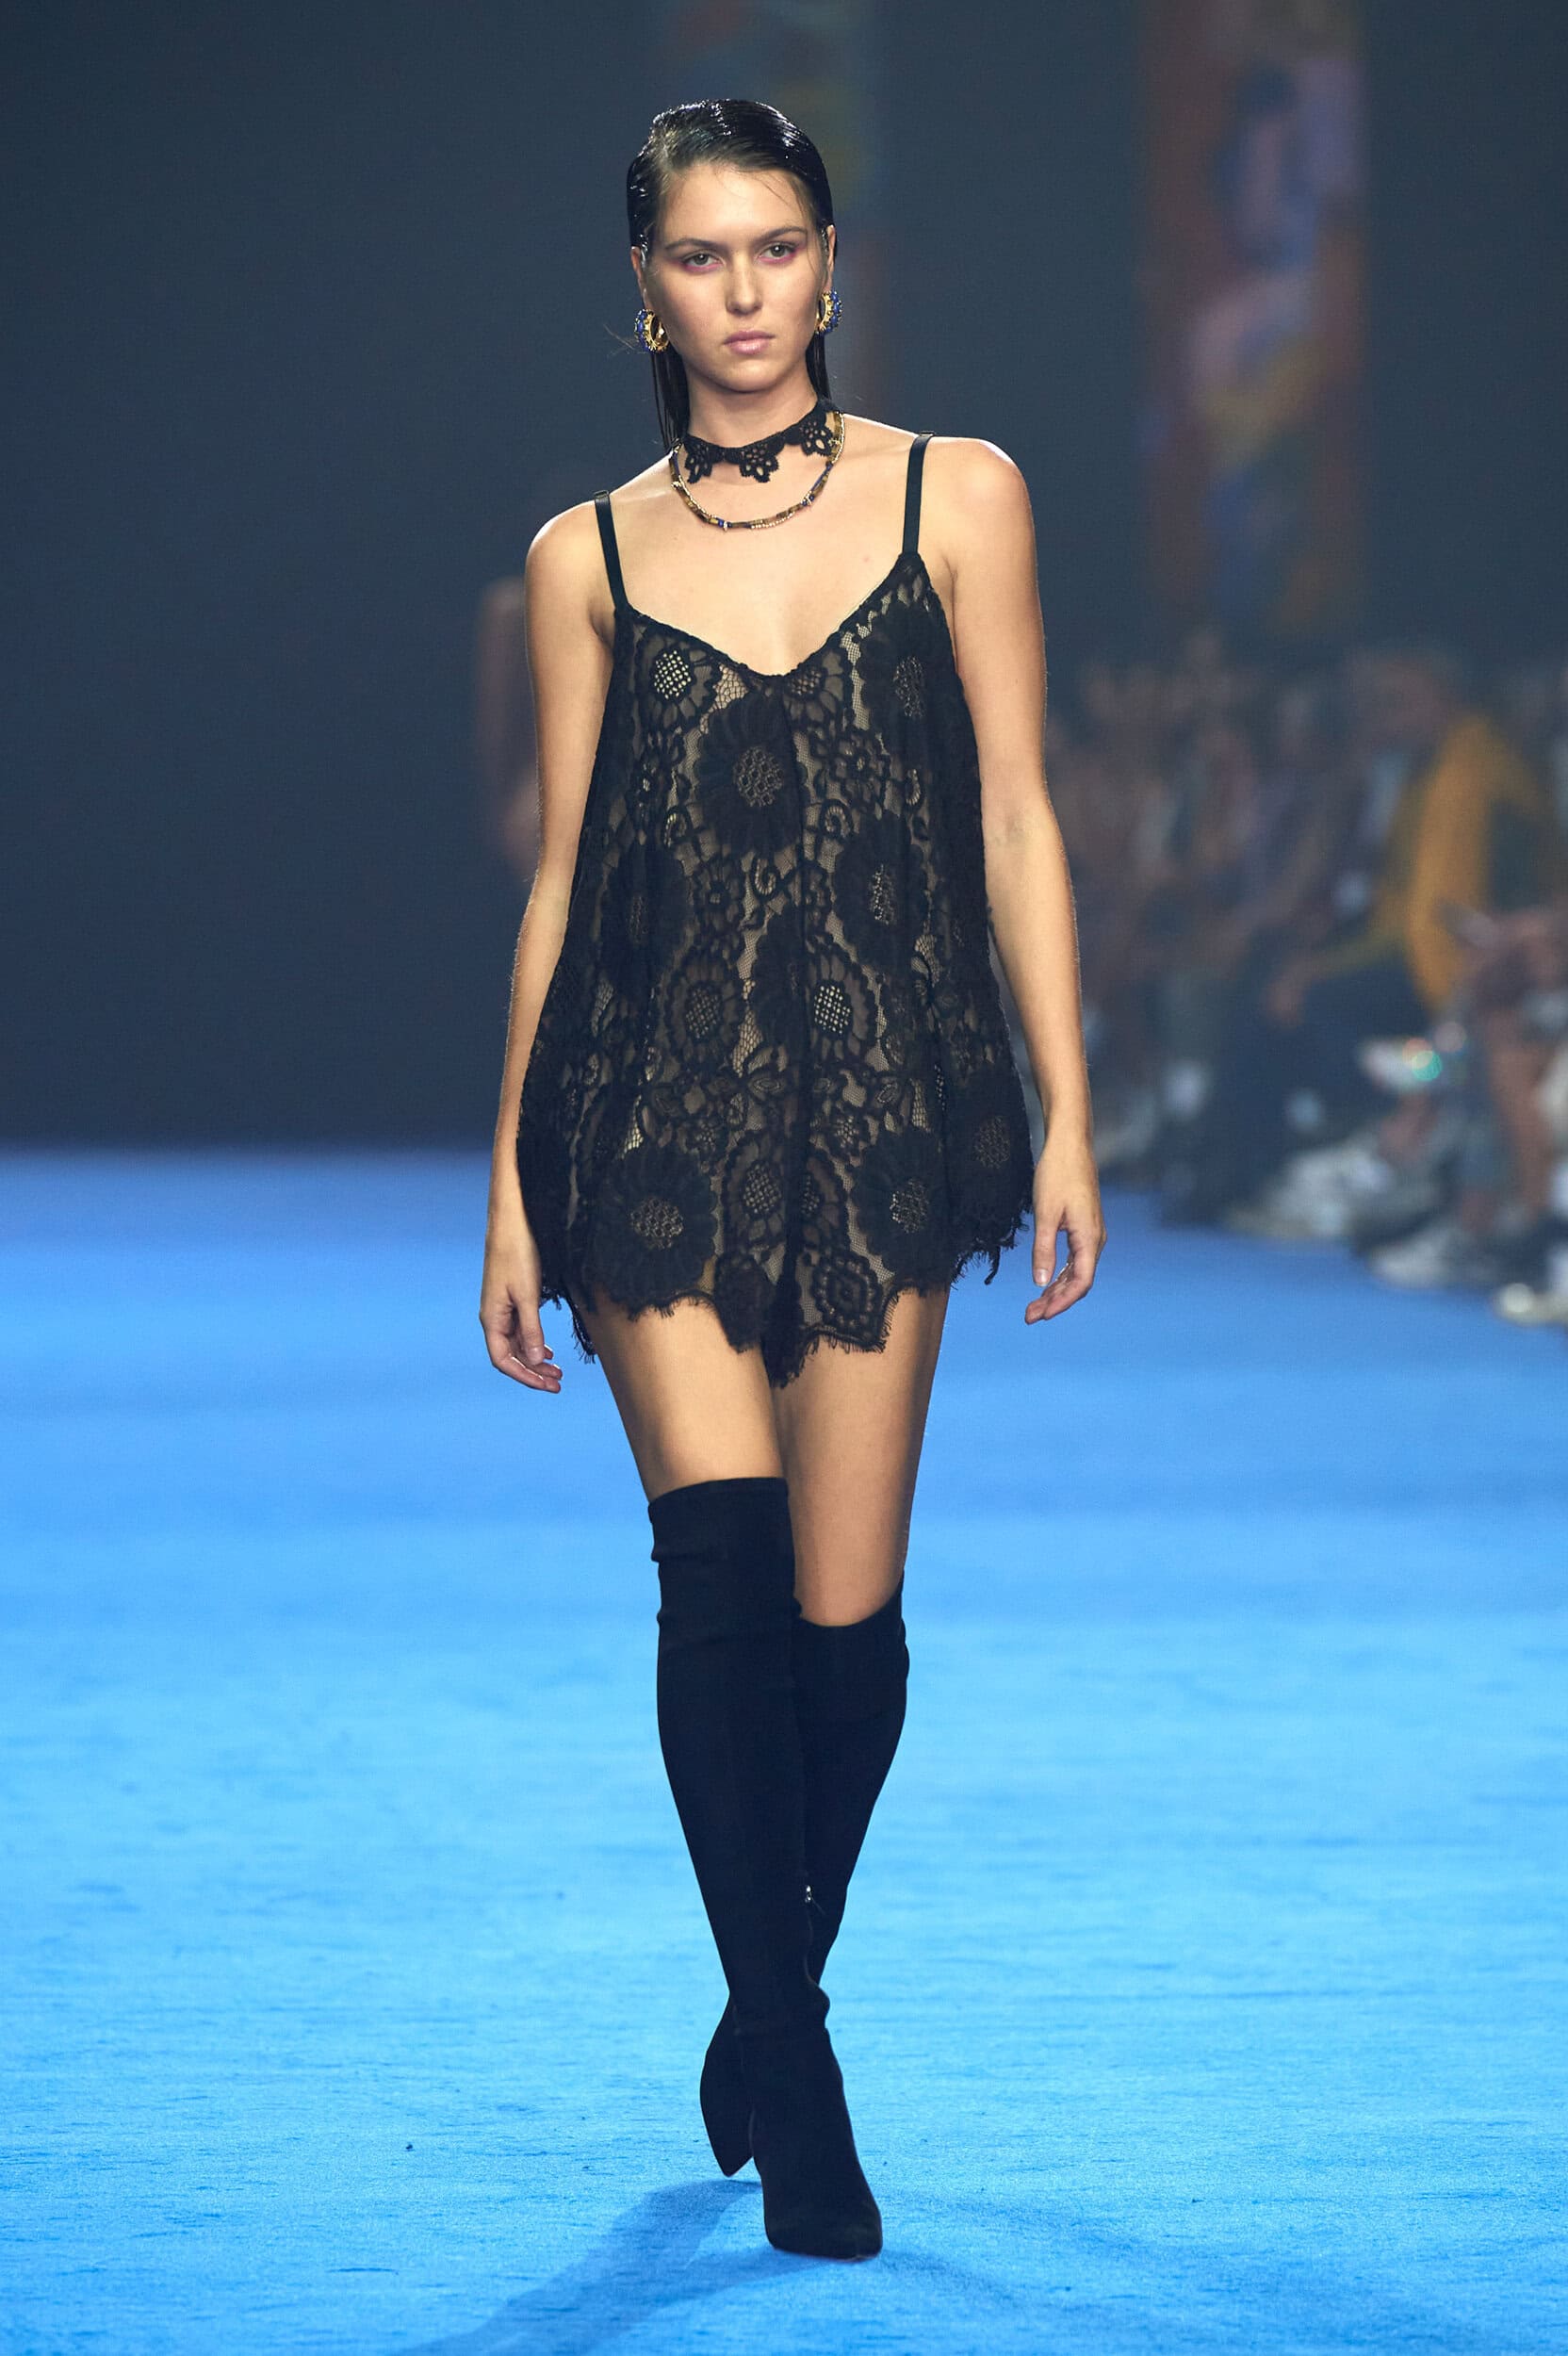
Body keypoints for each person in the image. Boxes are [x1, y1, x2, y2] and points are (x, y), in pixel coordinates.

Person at [478, 98, 1102, 2263]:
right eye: (699, 255)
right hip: (647, 1103)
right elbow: (562, 880)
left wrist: (1071, 1104)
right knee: (721, 1581)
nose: (741, 293)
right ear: (643, 291)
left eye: (774, 248)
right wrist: (510, 1180)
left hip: (891, 1101)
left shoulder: (961, 493)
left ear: (831, 264)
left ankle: (761, 1999)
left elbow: (1016, 813)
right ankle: (803, 2069)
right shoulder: (583, 555)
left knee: (848, 1630)